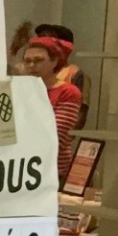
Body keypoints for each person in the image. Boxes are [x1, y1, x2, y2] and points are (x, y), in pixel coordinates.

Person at [18, 35, 84, 184]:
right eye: (27, 61)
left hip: (52, 171)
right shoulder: (21, 90)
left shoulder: (68, 92)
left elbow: (55, 133)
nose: (32, 65)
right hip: (21, 169)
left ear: (54, 61)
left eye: (39, 60)